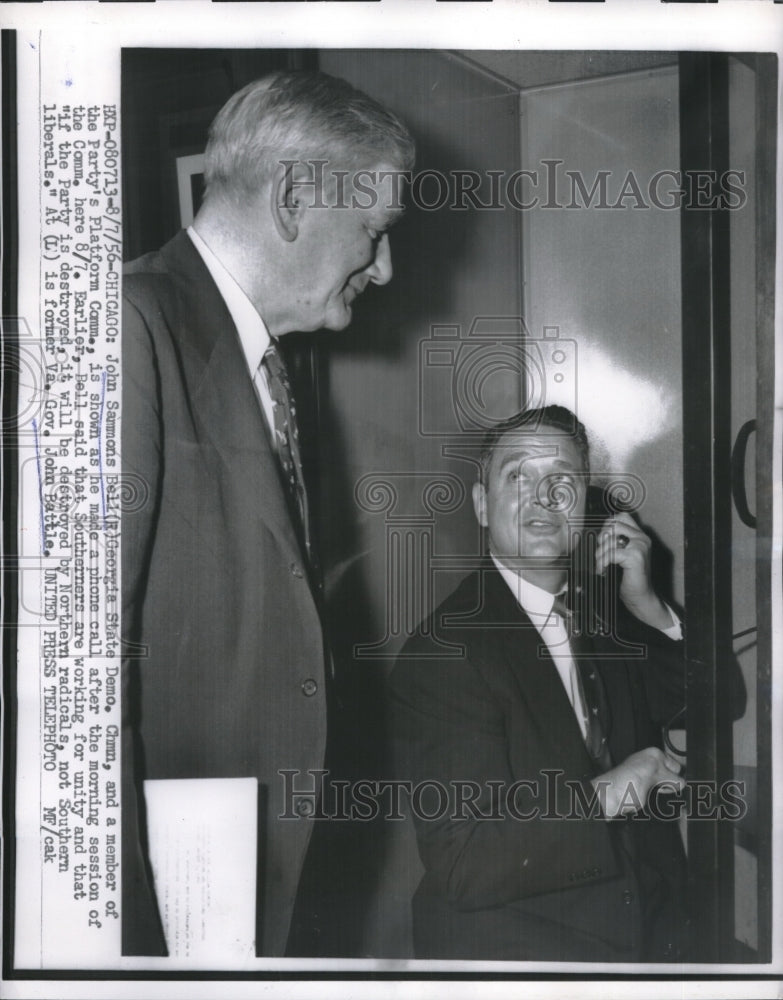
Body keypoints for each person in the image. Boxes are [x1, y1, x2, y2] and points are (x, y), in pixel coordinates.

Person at [121, 70, 415, 957]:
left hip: (244, 875)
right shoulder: (129, 327)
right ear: (294, 198)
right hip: (164, 902)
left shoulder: (265, 364)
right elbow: (71, 688)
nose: (385, 266)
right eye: (373, 231)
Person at [388, 404, 692, 962]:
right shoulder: (444, 653)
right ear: (482, 505)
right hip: (522, 956)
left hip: (649, 934)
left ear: (585, 506)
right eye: (518, 478)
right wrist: (612, 793)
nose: (544, 499)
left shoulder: (599, 613)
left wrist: (646, 603)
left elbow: (708, 701)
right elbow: (464, 861)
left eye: (563, 482)